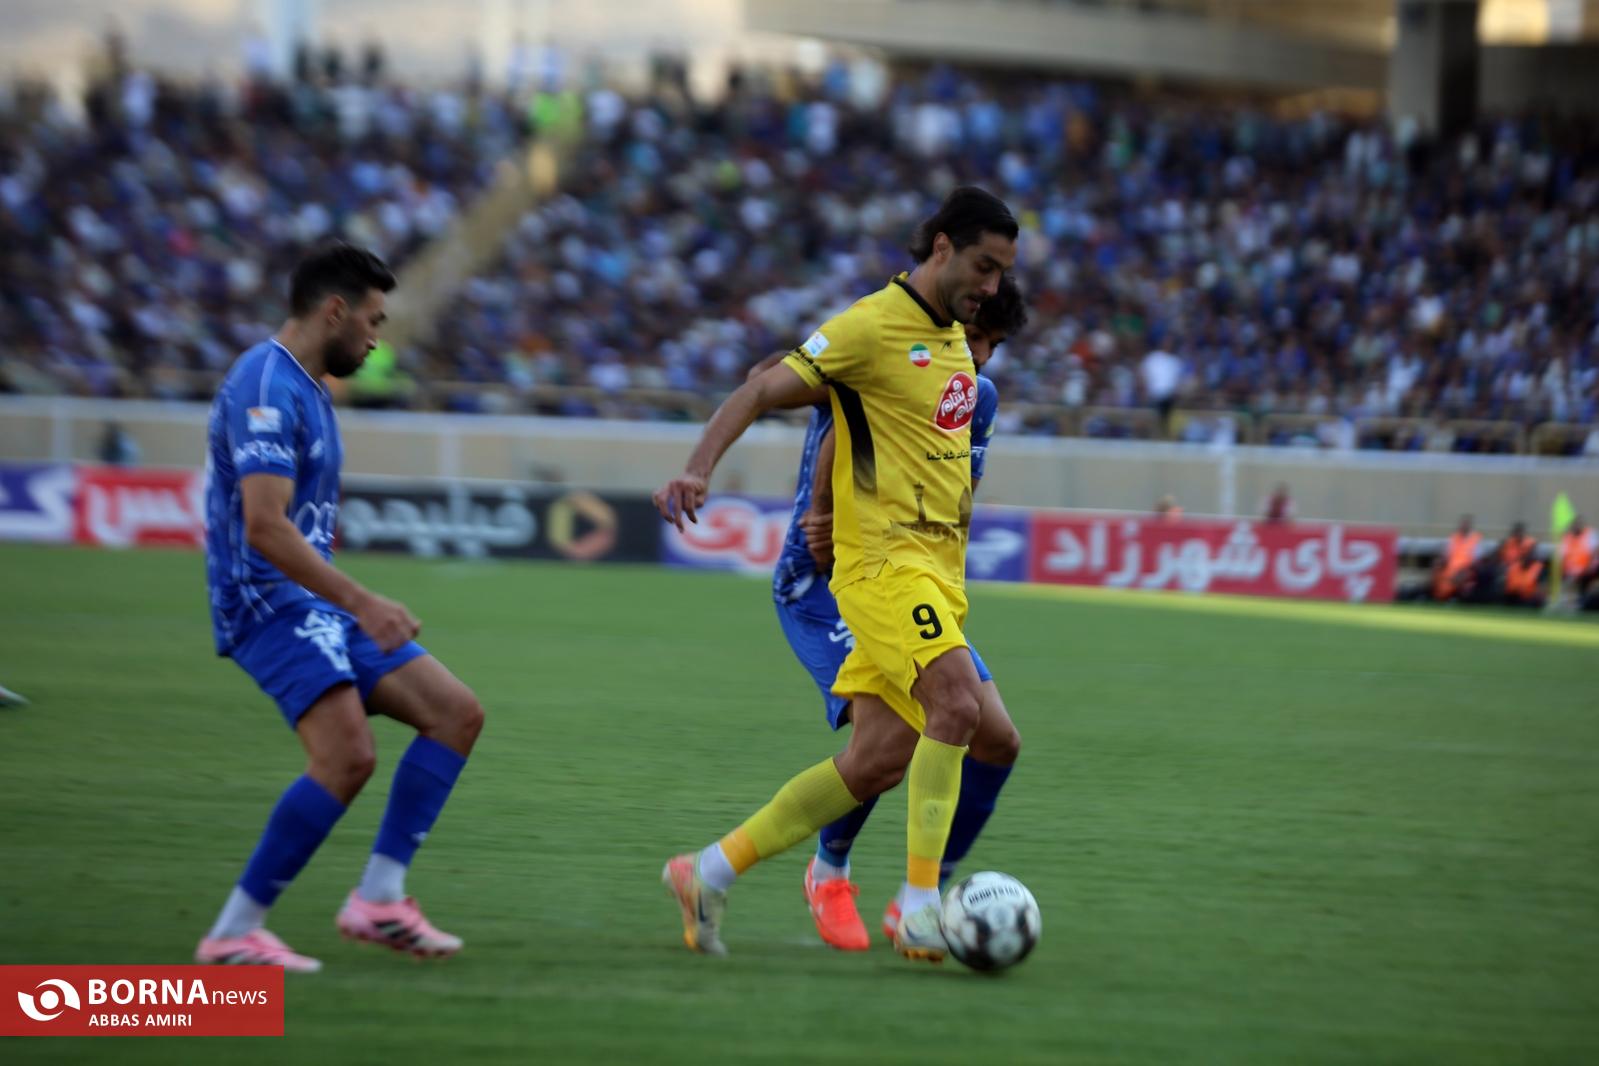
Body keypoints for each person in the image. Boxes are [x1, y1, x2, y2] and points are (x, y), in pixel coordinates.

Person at [653, 186, 1019, 963]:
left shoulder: (954, 343)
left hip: (934, 575)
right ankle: (919, 907)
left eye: (1002, 273)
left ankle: (708, 871)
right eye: (984, 267)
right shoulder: (870, 325)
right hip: (881, 569)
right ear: (943, 248)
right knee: (956, 704)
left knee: (877, 757)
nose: (992, 286)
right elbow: (764, 384)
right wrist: (698, 468)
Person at [197, 243, 485, 972]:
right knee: (346, 756)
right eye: (373, 320)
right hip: (266, 601)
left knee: (455, 714)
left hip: (313, 602)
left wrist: (345, 602)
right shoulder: (266, 385)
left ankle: (379, 899)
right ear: (334, 311)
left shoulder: (311, 388)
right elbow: (265, 528)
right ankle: (233, 933)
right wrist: (362, 601)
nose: (377, 338)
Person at [754, 276, 1028, 952]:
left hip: (908, 581)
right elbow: (774, 382)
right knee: (894, 739)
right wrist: (820, 507)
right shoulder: (891, 356)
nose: (980, 356)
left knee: (997, 740)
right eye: (975, 338)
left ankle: (927, 893)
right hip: (823, 583)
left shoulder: (976, 397)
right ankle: (829, 872)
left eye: (992, 346)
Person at [1432, 515, 1481, 602]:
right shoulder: (1454, 537)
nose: (1463, 526)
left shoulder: (1475, 539)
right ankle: (1434, 596)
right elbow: (1446, 555)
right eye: (1462, 524)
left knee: (1459, 577)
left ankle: (1454, 597)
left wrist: (1465, 570)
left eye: (1466, 524)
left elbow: (1476, 561)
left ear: (1470, 526)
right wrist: (1439, 562)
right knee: (1437, 570)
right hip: (1450, 569)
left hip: (1466, 570)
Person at [1499, 522, 1544, 608]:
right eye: (1516, 532)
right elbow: (1502, 558)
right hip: (1515, 586)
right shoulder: (1508, 544)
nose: (1518, 534)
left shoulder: (1537, 565)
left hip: (1529, 591)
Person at [1559, 517, 1598, 603]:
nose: (1577, 527)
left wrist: (1589, 568)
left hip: (1588, 570)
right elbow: (1563, 557)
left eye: (1579, 524)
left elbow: (1595, 553)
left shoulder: (1589, 535)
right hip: (1572, 571)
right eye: (1575, 525)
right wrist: (1568, 571)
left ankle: (1584, 598)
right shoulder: (1567, 538)